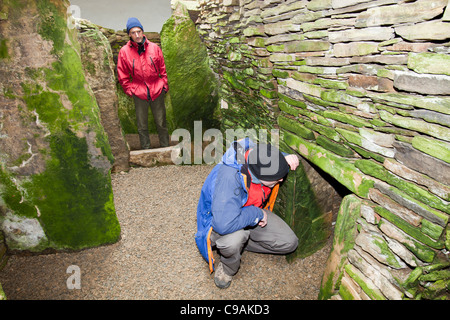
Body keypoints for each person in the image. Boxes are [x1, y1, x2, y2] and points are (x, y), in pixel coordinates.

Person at [195, 138, 300, 289]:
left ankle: (242, 242)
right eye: (277, 179)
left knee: (289, 243)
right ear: (261, 176)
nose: (282, 179)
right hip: (222, 220)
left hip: (248, 212)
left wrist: (283, 157)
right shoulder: (229, 179)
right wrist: (257, 214)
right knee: (233, 240)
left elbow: (265, 154)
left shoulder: (255, 157)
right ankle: (227, 267)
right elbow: (223, 225)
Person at [117, 17, 170, 149]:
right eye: (133, 32)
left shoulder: (154, 48)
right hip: (138, 90)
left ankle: (165, 148)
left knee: (161, 122)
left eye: (139, 31)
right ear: (129, 34)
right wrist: (129, 90)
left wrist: (164, 85)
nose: (137, 35)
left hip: (156, 88)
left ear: (142, 31)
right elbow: (122, 73)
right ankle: (145, 149)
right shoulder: (124, 52)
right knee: (142, 124)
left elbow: (162, 68)